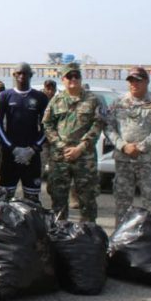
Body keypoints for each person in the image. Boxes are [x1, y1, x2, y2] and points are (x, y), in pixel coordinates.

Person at [104, 66, 151, 225]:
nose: (134, 84)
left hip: (150, 160)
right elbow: (108, 126)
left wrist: (141, 147)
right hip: (124, 159)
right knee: (122, 200)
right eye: (131, 81)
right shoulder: (118, 102)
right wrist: (123, 146)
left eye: (138, 81)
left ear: (147, 81)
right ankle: (120, 238)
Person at [42, 62, 104, 221]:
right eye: (69, 76)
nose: (73, 79)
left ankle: (88, 236)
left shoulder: (92, 100)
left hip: (84, 157)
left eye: (77, 76)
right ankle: (60, 235)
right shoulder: (56, 101)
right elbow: (47, 124)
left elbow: (98, 124)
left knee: (87, 200)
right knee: (58, 199)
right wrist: (61, 145)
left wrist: (81, 147)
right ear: (63, 79)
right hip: (60, 157)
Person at [0, 62, 50, 202]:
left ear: (31, 75)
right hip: (10, 154)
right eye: (18, 73)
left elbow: (47, 126)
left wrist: (33, 148)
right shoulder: (5, 96)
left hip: (32, 155)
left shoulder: (40, 97)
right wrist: (12, 148)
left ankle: (31, 223)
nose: (22, 76)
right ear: (14, 75)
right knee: (5, 198)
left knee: (32, 199)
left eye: (25, 73)